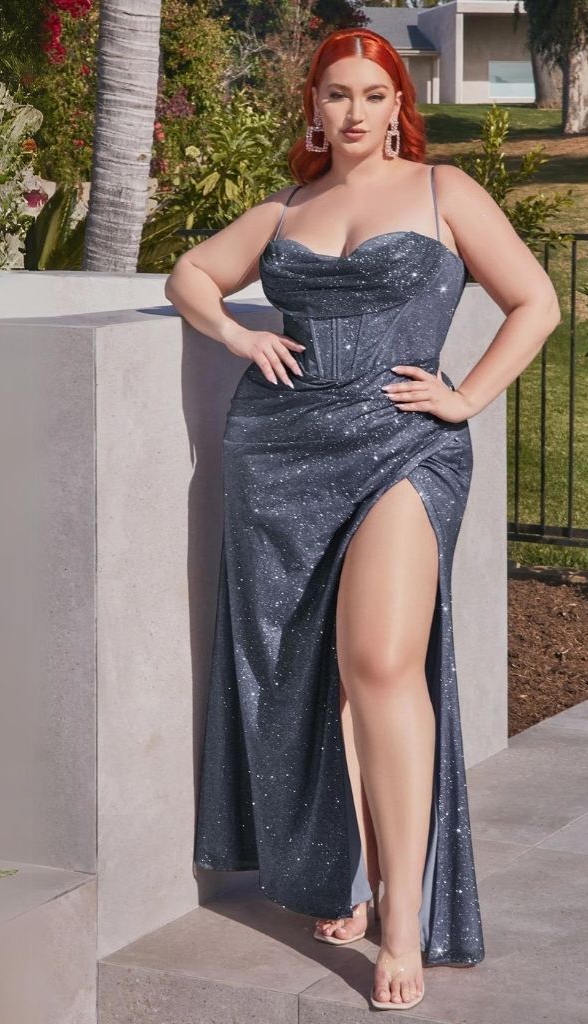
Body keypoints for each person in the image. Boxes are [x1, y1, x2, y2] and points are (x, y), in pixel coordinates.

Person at [165, 27, 560, 1012]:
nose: (352, 111)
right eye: (335, 93)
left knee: (381, 662)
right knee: (313, 673)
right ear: (313, 105)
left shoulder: (443, 193)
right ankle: (346, 867)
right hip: (284, 453)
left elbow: (537, 303)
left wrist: (465, 397)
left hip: (403, 445)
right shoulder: (284, 208)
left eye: (371, 95)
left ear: (397, 106)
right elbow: (188, 277)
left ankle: (401, 917)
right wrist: (237, 335)